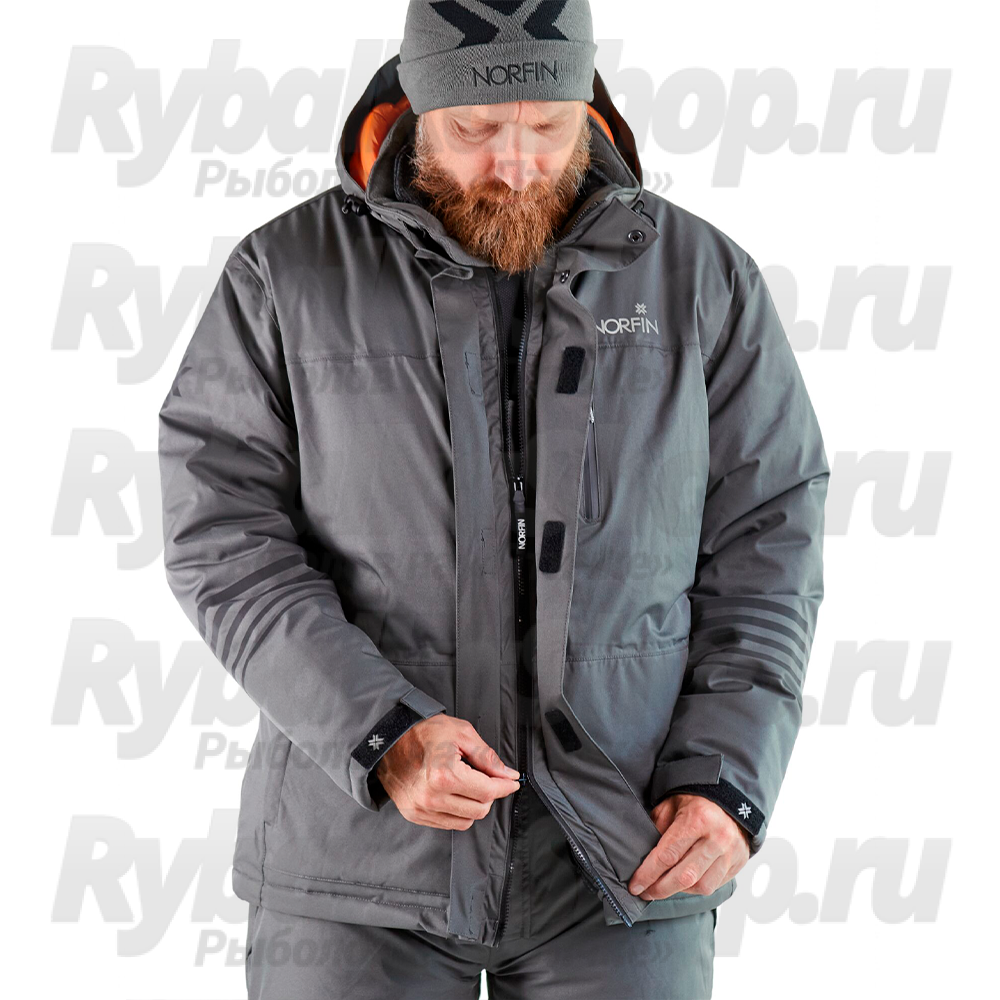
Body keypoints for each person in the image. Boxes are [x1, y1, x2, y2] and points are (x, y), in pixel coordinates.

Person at [157, 2, 830, 997]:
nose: (514, 166)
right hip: (359, 861)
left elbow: (769, 539)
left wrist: (728, 777)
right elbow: (221, 534)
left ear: (589, 108)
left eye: (548, 125)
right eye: (473, 129)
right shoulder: (284, 275)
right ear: (413, 105)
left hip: (625, 852)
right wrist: (379, 732)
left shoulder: (701, 280)